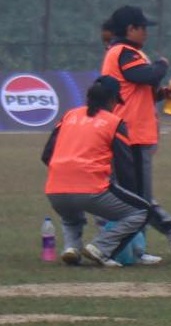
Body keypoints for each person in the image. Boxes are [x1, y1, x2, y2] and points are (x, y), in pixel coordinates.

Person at [42, 76, 159, 267]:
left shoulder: (69, 115)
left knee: (71, 217)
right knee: (142, 211)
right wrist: (132, 195)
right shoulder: (114, 122)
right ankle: (100, 248)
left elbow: (47, 154)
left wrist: (66, 172)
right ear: (112, 100)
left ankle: (71, 248)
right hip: (92, 188)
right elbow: (125, 166)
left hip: (55, 190)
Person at [100, 5, 171, 252]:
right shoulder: (124, 52)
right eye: (143, 28)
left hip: (133, 131)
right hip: (131, 133)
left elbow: (136, 90)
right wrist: (162, 65)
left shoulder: (129, 53)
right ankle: (170, 227)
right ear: (130, 29)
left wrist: (161, 94)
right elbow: (144, 75)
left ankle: (136, 248)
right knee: (138, 196)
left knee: (133, 194)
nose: (146, 33)